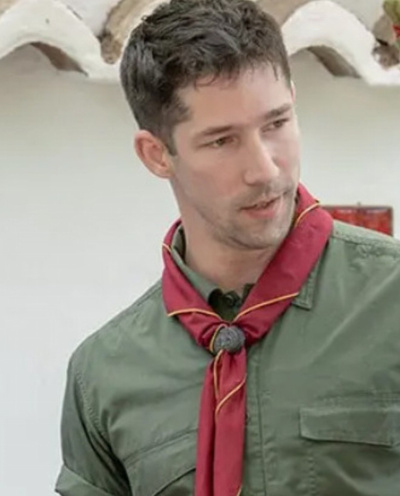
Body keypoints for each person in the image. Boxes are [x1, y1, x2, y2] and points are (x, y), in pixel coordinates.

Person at [55, 1, 400, 495]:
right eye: (221, 141)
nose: (264, 169)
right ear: (156, 154)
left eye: (276, 123)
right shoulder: (102, 375)